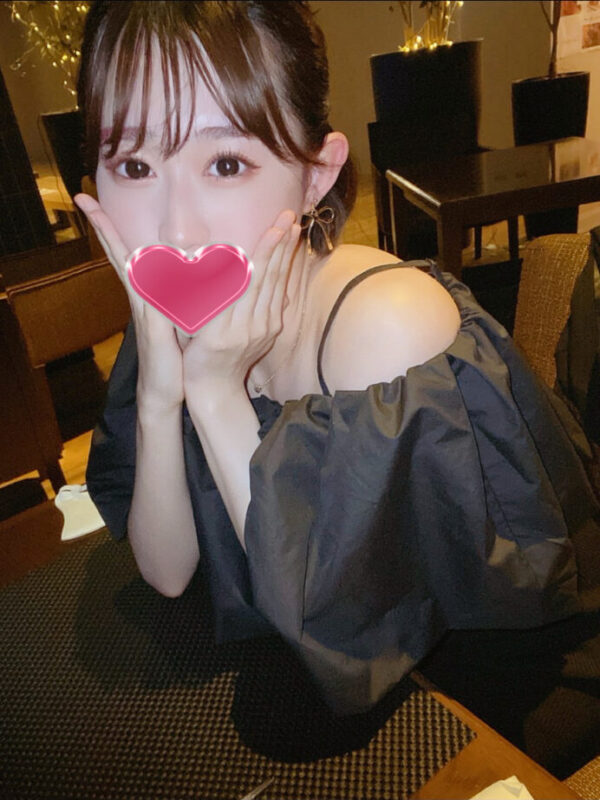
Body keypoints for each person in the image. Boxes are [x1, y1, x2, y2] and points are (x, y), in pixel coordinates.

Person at [76, 0, 598, 715]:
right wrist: (161, 397)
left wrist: (218, 392)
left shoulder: (387, 330)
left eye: (225, 163)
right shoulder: (179, 309)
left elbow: (346, 639)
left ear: (316, 175)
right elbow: (167, 575)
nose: (177, 230)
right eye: (134, 165)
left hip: (490, 703)